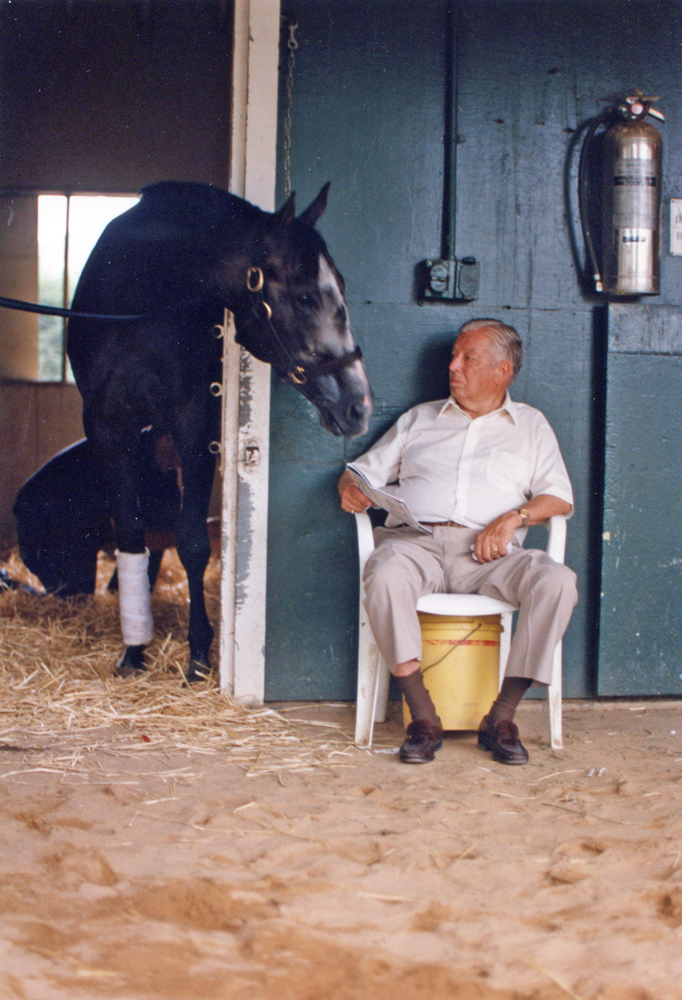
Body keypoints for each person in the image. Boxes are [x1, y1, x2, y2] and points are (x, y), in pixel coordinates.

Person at [338, 319, 577, 765]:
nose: (453, 366)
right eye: (454, 355)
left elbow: (559, 496)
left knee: (557, 581)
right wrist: (350, 484)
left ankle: (501, 718)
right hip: (417, 543)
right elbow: (363, 471)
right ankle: (424, 718)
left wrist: (514, 517)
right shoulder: (420, 418)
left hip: (491, 554)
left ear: (502, 370)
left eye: (468, 358)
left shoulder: (531, 426)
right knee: (385, 572)